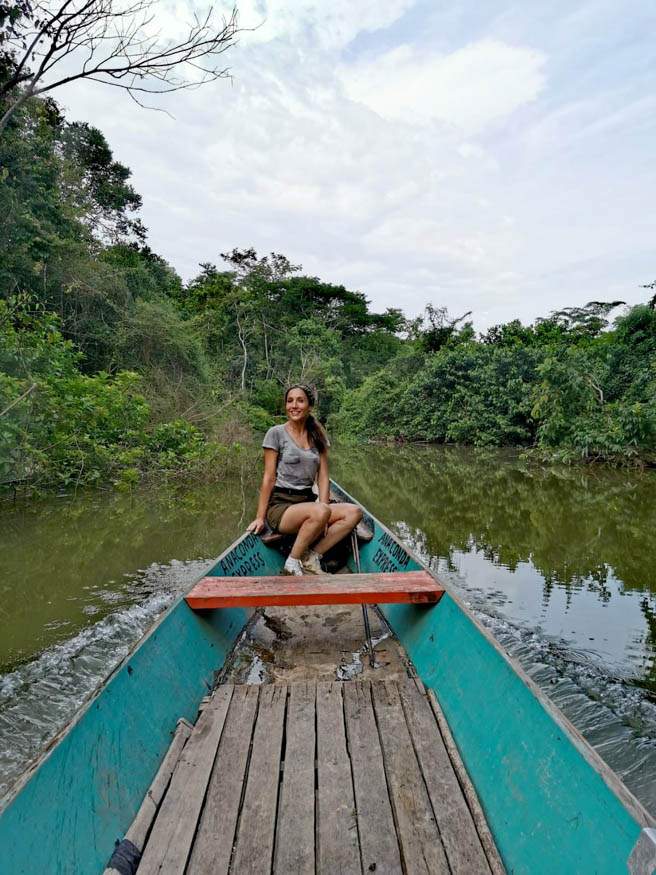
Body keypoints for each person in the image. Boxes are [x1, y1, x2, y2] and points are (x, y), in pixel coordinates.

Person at [247, 384, 363, 575]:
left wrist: (324, 515)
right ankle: (292, 564)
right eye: (290, 400)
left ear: (309, 406)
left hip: (308, 503)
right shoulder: (276, 433)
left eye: (300, 400)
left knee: (354, 513)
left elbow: (324, 477)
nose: (294, 405)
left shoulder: (318, 436)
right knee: (319, 510)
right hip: (282, 507)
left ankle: (311, 556)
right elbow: (268, 477)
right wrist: (260, 517)